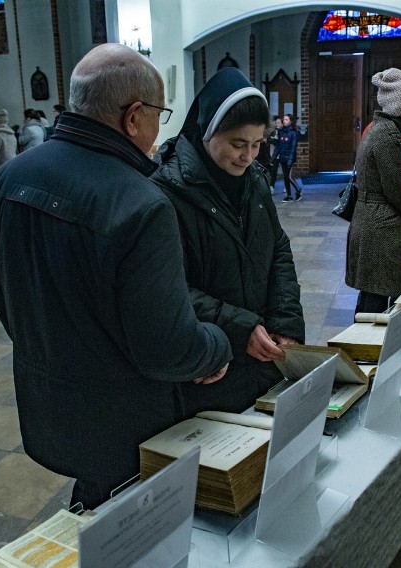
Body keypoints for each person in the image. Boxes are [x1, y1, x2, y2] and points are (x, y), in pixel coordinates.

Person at [0, 43, 232, 511]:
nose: (160, 128)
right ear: (134, 115)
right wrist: (217, 344)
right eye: (160, 113)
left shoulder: (9, 177)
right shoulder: (140, 203)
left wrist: (46, 346)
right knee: (133, 525)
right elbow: (167, 348)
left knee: (93, 503)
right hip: (122, 421)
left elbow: (0, 292)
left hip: (46, 400)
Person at [151, 67, 305, 417]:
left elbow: (277, 249)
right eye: (238, 144)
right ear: (208, 131)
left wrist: (285, 323)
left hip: (264, 356)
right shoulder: (167, 193)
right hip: (210, 366)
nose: (248, 156)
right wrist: (238, 329)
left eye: (256, 144)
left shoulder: (256, 182)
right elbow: (169, 288)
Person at [346, 68, 401, 314]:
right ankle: (366, 349)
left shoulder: (379, 130)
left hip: (371, 219)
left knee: (371, 294)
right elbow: (396, 187)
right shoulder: (388, 136)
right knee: (375, 302)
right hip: (380, 226)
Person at [276, 113, 301, 202]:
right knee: (285, 177)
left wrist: (290, 160)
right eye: (284, 119)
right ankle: (289, 195)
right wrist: (274, 158)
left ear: (290, 121)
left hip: (289, 158)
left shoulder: (294, 132)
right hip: (282, 157)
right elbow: (278, 146)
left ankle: (298, 190)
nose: (284, 121)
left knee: (289, 176)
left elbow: (293, 147)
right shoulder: (281, 132)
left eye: (286, 119)